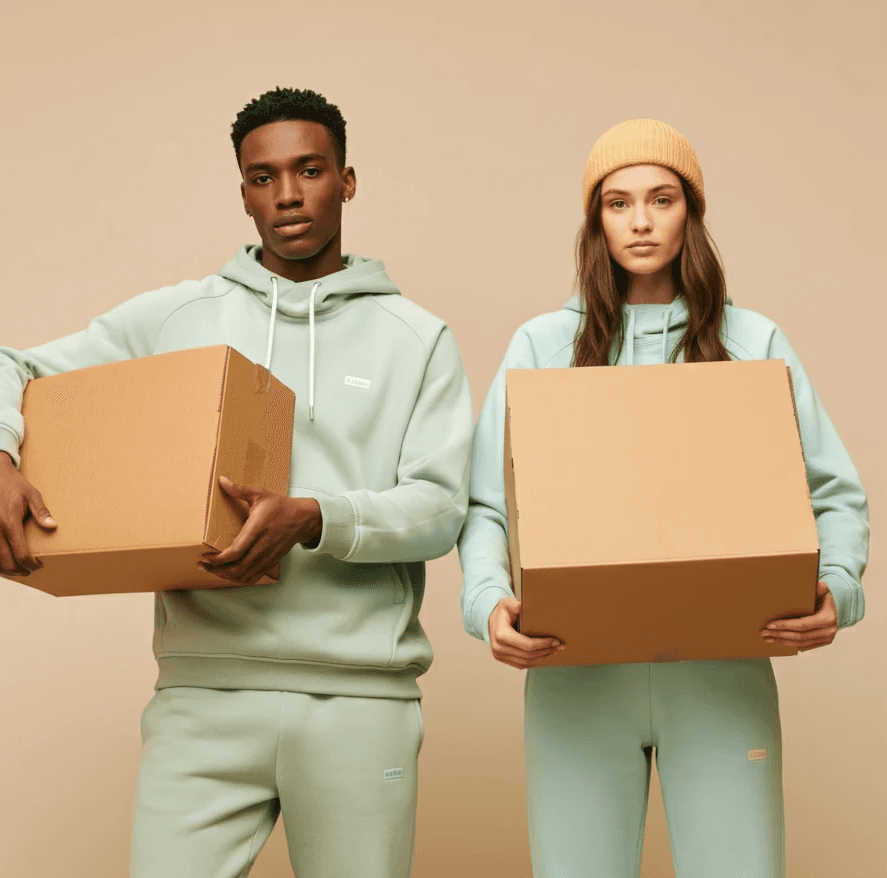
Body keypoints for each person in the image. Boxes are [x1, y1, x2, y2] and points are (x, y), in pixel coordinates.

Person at [0, 87, 473, 878]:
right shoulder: (177, 317)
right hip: (201, 699)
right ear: (244, 192)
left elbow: (439, 509)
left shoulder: (417, 339)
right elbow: (13, 364)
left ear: (347, 181)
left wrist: (316, 516)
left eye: (309, 170)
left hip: (361, 706)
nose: (287, 195)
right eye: (263, 178)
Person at [457, 118, 868, 878]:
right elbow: (487, 505)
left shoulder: (755, 341)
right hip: (573, 676)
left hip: (721, 673)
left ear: (691, 212)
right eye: (617, 203)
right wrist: (486, 602)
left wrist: (837, 589)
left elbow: (834, 493)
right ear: (595, 221)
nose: (640, 222)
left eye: (661, 199)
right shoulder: (542, 346)